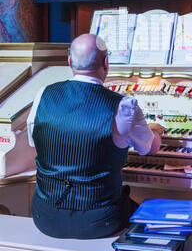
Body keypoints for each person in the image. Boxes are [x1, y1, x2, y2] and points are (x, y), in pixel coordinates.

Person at [27, 34, 164, 239]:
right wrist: (155, 130)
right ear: (106, 63)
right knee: (153, 217)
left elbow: (34, 140)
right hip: (101, 221)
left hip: (45, 216)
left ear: (70, 61)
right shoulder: (124, 105)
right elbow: (150, 148)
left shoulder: (44, 95)